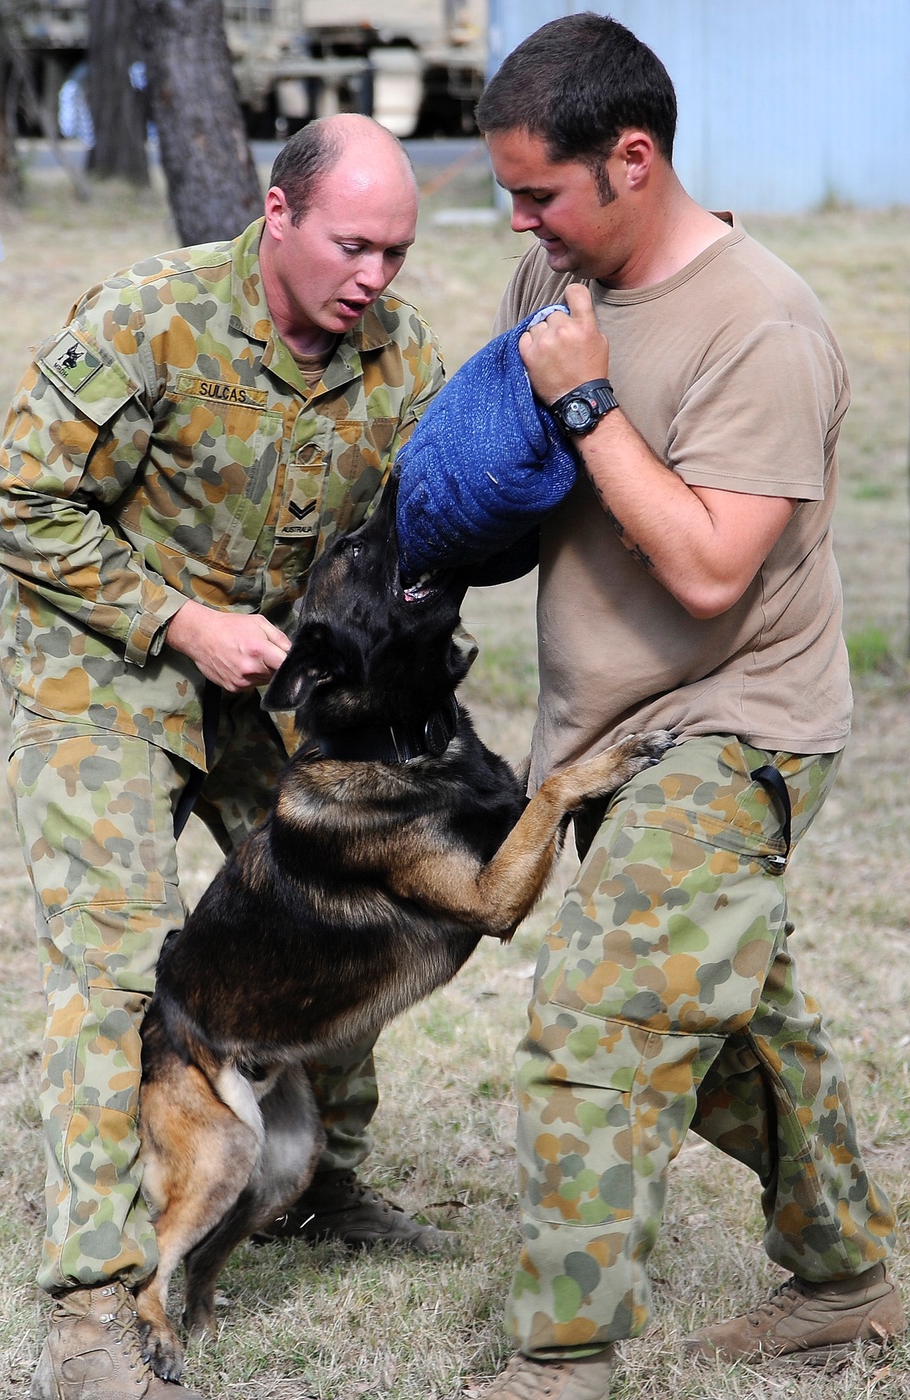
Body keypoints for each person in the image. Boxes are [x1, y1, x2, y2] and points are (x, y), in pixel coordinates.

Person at [468, 15, 905, 1399]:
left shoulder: (763, 324)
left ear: (636, 158)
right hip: (609, 733)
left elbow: (715, 566)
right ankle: (849, 1287)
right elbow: (513, 468)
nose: (520, 219)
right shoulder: (551, 279)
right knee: (725, 1030)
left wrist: (587, 399)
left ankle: (561, 1360)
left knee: (598, 1026)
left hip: (737, 723)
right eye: (510, 191)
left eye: (541, 190)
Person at [0, 113, 450, 1400]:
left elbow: (410, 537)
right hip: (107, 667)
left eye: (398, 252)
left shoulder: (401, 360)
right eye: (355, 244)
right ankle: (94, 1294)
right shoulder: (153, 315)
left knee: (340, 918)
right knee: (119, 966)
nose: (375, 276)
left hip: (264, 685)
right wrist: (178, 619)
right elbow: (21, 503)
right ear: (278, 211)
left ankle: (317, 1177)